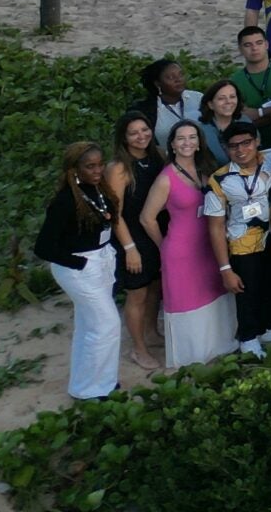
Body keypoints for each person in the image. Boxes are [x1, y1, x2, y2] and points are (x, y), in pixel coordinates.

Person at [130, 122, 232, 368]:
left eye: (192, 137)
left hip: (209, 245)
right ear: (173, 144)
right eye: (181, 138)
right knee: (188, 303)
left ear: (199, 142)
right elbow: (147, 217)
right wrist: (163, 245)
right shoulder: (166, 178)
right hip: (181, 251)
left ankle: (218, 347)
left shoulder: (205, 170)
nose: (187, 142)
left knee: (213, 295)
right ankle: (192, 357)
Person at [35, 142, 122, 398]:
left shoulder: (99, 190)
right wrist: (79, 263)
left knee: (88, 326)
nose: (97, 170)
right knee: (107, 324)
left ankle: (93, 383)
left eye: (99, 164)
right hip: (78, 267)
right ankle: (92, 390)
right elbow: (43, 247)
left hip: (103, 260)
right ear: (74, 170)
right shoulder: (65, 202)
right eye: (90, 166)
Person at [201, 121, 271, 355]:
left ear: (257, 141)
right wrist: (225, 268)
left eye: (246, 143)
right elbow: (215, 226)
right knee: (248, 291)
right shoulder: (219, 180)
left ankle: (266, 328)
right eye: (233, 146)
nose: (241, 150)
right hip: (242, 243)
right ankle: (248, 338)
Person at [104, 112, 163, 369]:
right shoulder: (118, 168)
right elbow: (114, 214)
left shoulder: (157, 156)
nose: (142, 136)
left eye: (145, 129)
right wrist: (129, 248)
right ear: (124, 138)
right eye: (134, 132)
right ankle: (138, 349)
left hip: (155, 232)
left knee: (155, 286)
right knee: (137, 293)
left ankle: (150, 332)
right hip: (131, 236)